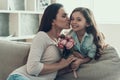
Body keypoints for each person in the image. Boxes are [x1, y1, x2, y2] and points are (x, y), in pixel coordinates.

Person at [7, 3, 76, 80]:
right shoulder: (42, 36)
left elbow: (51, 70)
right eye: (64, 16)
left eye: (67, 15)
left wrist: (67, 67)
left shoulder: (63, 41)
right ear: (53, 21)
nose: (68, 18)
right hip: (21, 77)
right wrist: (61, 65)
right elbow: (32, 68)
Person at [67, 7, 106, 72]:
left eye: (78, 20)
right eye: (72, 19)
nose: (74, 22)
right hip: (74, 58)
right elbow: (68, 49)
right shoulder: (70, 35)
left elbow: (90, 56)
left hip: (87, 60)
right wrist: (74, 52)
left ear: (88, 23)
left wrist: (80, 61)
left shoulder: (92, 38)